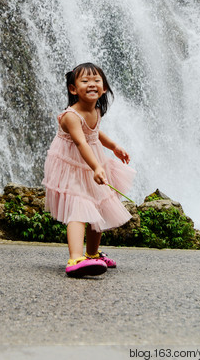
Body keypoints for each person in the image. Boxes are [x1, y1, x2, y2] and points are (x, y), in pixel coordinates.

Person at [43, 62, 135, 278]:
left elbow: (95, 132)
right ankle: (75, 258)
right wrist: (95, 166)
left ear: (104, 88)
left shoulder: (96, 109)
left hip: (93, 162)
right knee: (79, 206)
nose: (91, 84)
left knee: (99, 205)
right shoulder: (71, 116)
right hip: (71, 166)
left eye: (96, 81)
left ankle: (92, 255)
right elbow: (81, 143)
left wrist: (113, 147)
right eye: (85, 81)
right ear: (73, 89)